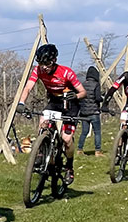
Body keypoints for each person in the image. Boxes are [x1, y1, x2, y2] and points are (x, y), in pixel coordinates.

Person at [16, 43, 86, 185]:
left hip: (70, 103)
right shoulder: (38, 70)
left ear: (54, 60)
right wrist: (21, 103)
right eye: (41, 63)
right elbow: (28, 87)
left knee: (66, 139)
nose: (44, 67)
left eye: (47, 63)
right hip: (54, 101)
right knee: (43, 122)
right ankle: (42, 152)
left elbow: (83, 92)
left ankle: (69, 166)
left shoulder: (66, 72)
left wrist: (75, 96)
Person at [77, 65, 103, 156]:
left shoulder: (82, 84)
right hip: (94, 112)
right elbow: (98, 98)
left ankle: (79, 149)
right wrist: (102, 98)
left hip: (84, 113)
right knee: (97, 132)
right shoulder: (96, 84)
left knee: (84, 132)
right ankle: (97, 151)